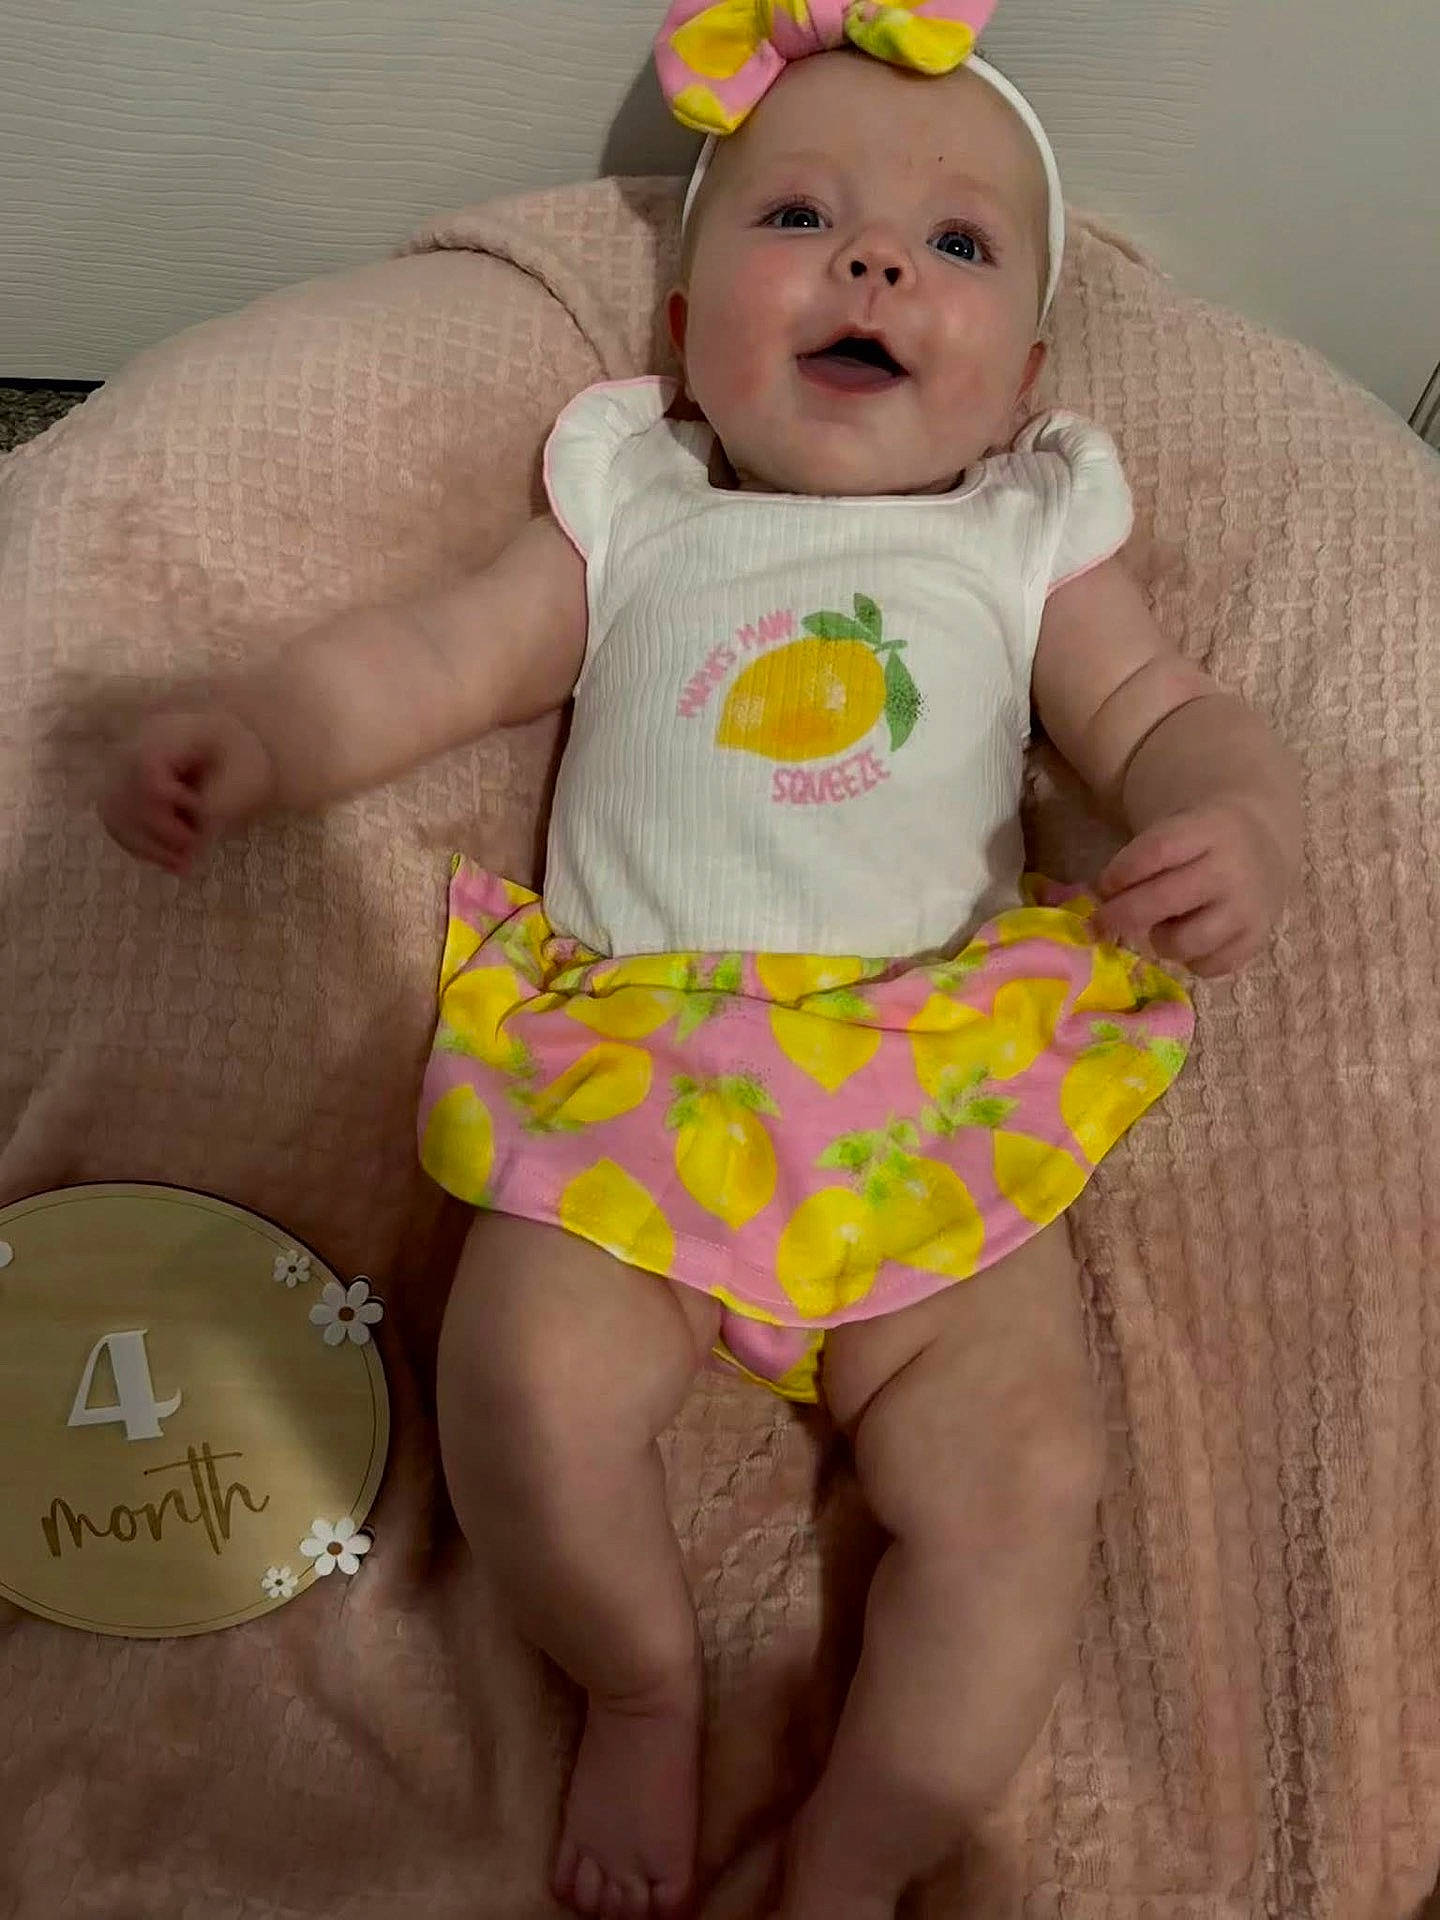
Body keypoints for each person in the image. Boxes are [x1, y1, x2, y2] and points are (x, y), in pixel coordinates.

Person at [101, 3, 1302, 1913]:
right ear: (678, 334)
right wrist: (265, 737)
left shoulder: (1018, 534)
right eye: (798, 218)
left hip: (926, 1069)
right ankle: (641, 1686)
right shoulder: (637, 507)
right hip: (641, 1070)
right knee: (516, 1383)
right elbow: (429, 661)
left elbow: (1170, 716)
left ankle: (872, 1833)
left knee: (1028, 1478)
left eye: (958, 248)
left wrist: (1239, 823)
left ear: (1030, 377)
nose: (875, 263)